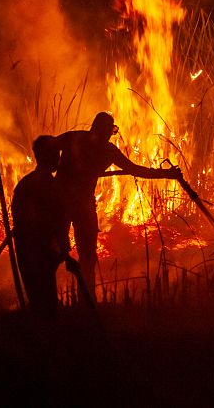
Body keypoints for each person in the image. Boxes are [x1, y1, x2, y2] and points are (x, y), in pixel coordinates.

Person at [53, 111, 180, 301]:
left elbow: (135, 169)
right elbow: (48, 147)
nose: (105, 135)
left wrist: (165, 174)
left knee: (84, 255)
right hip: (67, 204)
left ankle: (84, 301)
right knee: (59, 252)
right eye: (106, 131)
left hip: (78, 204)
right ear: (99, 130)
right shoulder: (86, 143)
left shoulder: (84, 141)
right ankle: (60, 301)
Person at [11, 135, 75, 320]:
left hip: (27, 250)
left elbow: (19, 217)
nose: (59, 158)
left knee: (37, 299)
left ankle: (37, 338)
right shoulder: (51, 186)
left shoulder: (25, 183)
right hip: (41, 251)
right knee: (46, 303)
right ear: (47, 156)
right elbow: (57, 222)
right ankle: (46, 340)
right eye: (56, 154)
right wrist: (63, 252)